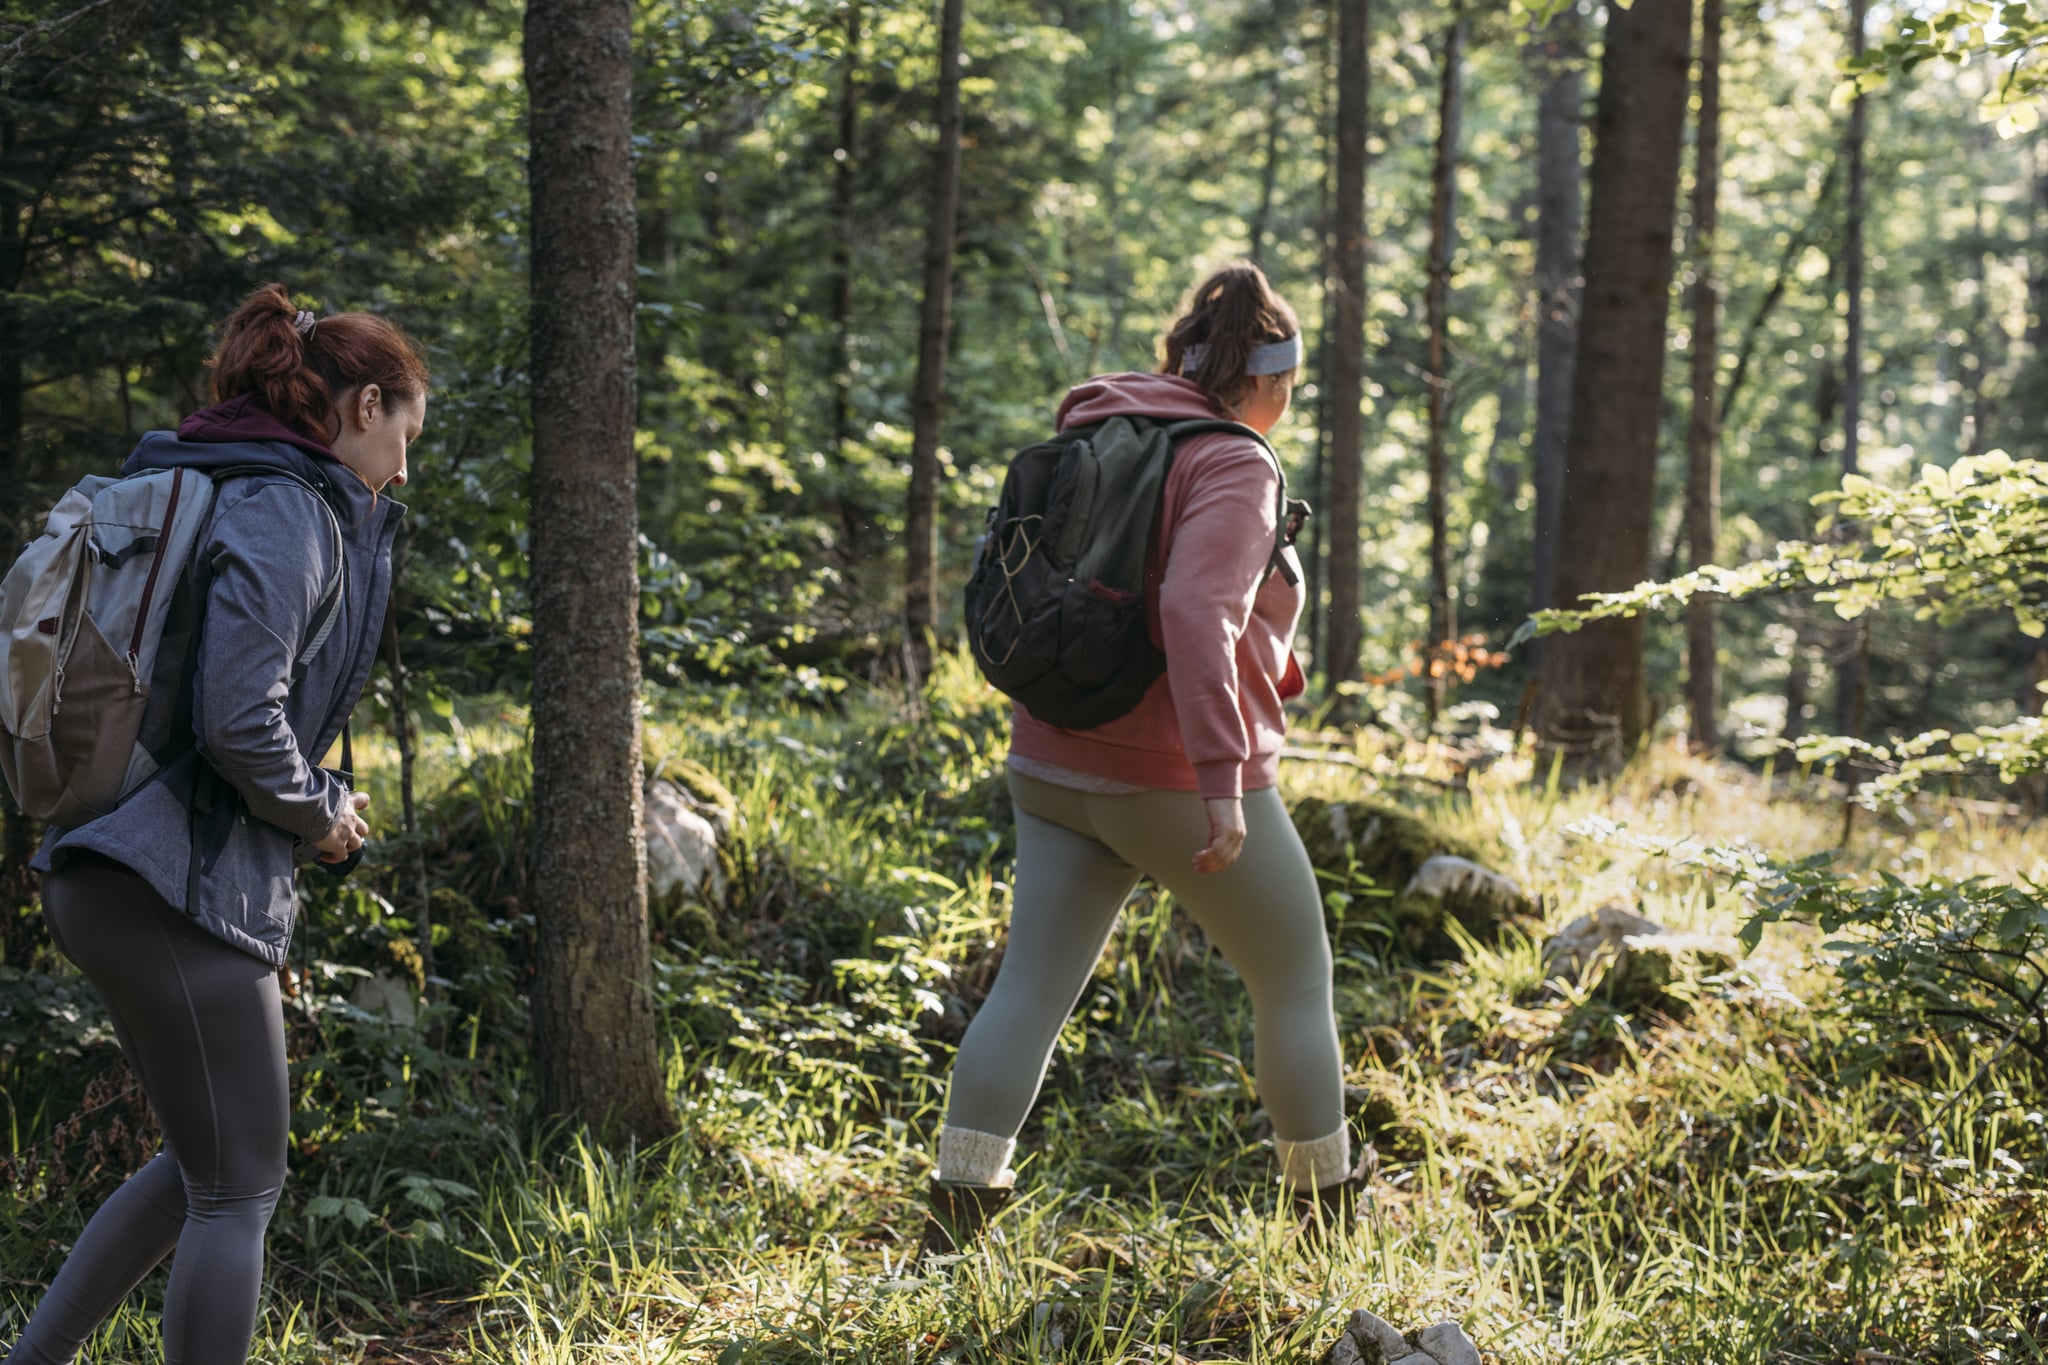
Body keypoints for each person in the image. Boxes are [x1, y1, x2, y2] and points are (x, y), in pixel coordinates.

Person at [6, 284, 426, 1365]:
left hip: (111, 869)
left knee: (199, 1172)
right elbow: (241, 723)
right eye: (404, 434)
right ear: (363, 404)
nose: (404, 467)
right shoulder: (286, 506)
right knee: (239, 1190)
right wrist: (324, 811)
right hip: (166, 880)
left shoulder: (215, 479)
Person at [924, 263, 1365, 1253]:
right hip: (1168, 775)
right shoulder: (1233, 463)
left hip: (1048, 763)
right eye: (1286, 388)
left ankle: (948, 1239)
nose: (1287, 406)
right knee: (1294, 981)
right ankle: (1331, 1236)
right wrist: (1221, 784)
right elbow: (1193, 615)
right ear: (1260, 383)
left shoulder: (1099, 424)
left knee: (1028, 990)